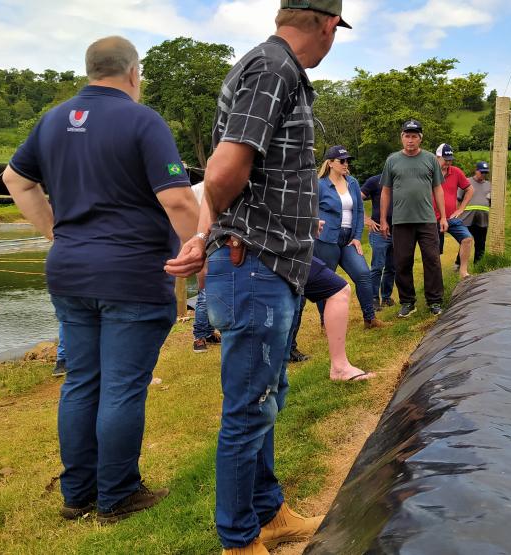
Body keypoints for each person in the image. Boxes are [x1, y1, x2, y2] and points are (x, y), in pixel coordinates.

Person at [164, 4, 348, 554]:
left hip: (268, 262)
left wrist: (203, 234)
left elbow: (228, 173)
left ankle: (269, 513)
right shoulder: (275, 68)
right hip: (256, 262)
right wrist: (206, 234)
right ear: (328, 24)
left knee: (267, 393)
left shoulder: (273, 67)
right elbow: (222, 171)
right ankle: (238, 540)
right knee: (248, 407)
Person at [2, 36, 199, 524]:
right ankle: (118, 496)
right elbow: (176, 198)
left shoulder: (52, 120)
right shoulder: (142, 119)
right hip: (131, 273)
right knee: (122, 387)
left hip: (70, 272)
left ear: (90, 70)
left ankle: (78, 495)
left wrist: (55, 232)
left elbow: (16, 180)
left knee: (81, 382)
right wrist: (200, 249)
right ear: (134, 73)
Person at [380, 119, 447, 318]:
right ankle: (407, 302)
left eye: (414, 136)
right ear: (401, 137)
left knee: (432, 260)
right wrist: (383, 219)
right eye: (407, 136)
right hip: (401, 221)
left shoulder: (430, 160)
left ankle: (435, 301)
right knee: (402, 262)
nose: (410, 140)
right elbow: (385, 191)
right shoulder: (392, 160)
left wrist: (443, 216)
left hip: (426, 219)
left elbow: (438, 188)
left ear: (420, 138)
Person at [315, 145, 384, 329]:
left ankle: (370, 318)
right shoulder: (319, 185)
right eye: (342, 161)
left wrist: (357, 236)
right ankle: (325, 322)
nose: (346, 164)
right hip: (326, 240)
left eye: (348, 160)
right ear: (330, 163)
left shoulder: (352, 182)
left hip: (348, 239)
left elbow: (359, 210)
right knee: (324, 281)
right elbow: (310, 212)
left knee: (363, 274)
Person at [303, 256, 374, 381]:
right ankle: (339, 368)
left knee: (337, 289)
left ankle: (339, 368)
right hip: (277, 250)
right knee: (337, 289)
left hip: (291, 249)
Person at [434, 143, 474, 279]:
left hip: (451, 217)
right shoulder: (429, 172)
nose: (448, 163)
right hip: (433, 218)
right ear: (437, 157)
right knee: (434, 251)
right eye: (445, 160)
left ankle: (463, 272)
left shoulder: (455, 172)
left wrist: (461, 209)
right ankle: (436, 277)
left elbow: (470, 189)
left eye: (450, 160)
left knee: (467, 239)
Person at [190, 182, 221, 353]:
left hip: (217, 241)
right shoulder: (198, 190)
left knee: (212, 290)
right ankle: (199, 336)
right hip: (206, 241)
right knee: (205, 292)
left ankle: (208, 332)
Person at [360, 173, 396, 310]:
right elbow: (356, 198)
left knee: (392, 267)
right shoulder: (375, 181)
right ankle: (373, 298)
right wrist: (365, 219)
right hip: (379, 231)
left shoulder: (400, 180)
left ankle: (386, 297)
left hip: (398, 231)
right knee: (377, 266)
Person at [460, 161, 491, 263]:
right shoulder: (466, 182)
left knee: (481, 243)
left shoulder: (489, 185)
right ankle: (458, 264)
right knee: (465, 242)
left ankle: (479, 265)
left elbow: (492, 202)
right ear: (476, 171)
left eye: (485, 173)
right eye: (481, 172)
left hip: (483, 219)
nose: (483, 174)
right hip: (467, 218)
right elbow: (458, 198)